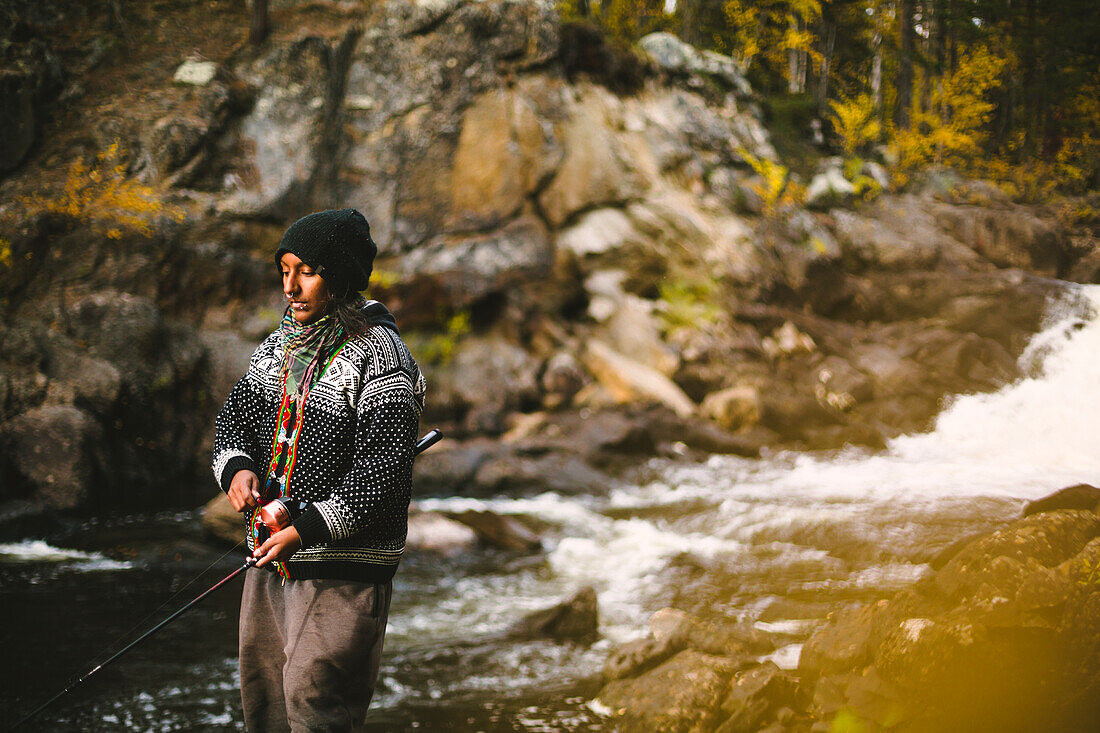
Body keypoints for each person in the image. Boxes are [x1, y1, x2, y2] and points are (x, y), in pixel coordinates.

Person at [212, 208, 425, 731]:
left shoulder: (382, 359)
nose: (291, 286)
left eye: (306, 271)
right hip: (272, 560)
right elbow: (232, 420)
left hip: (343, 571)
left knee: (314, 706)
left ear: (341, 275)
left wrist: (303, 530)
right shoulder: (278, 344)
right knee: (265, 706)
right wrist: (237, 470)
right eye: (284, 270)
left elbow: (381, 476)